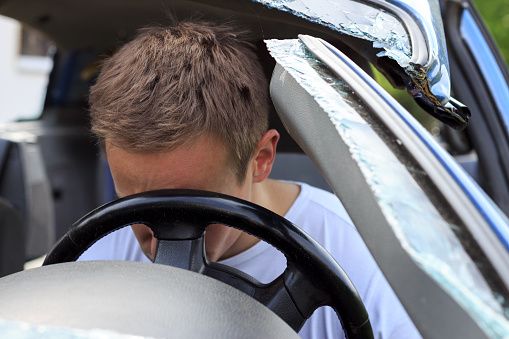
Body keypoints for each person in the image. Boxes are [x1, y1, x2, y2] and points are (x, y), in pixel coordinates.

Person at [81, 21, 421, 338]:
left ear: (260, 160)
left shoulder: (359, 259)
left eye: (189, 206)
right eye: (131, 200)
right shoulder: (97, 257)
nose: (159, 244)